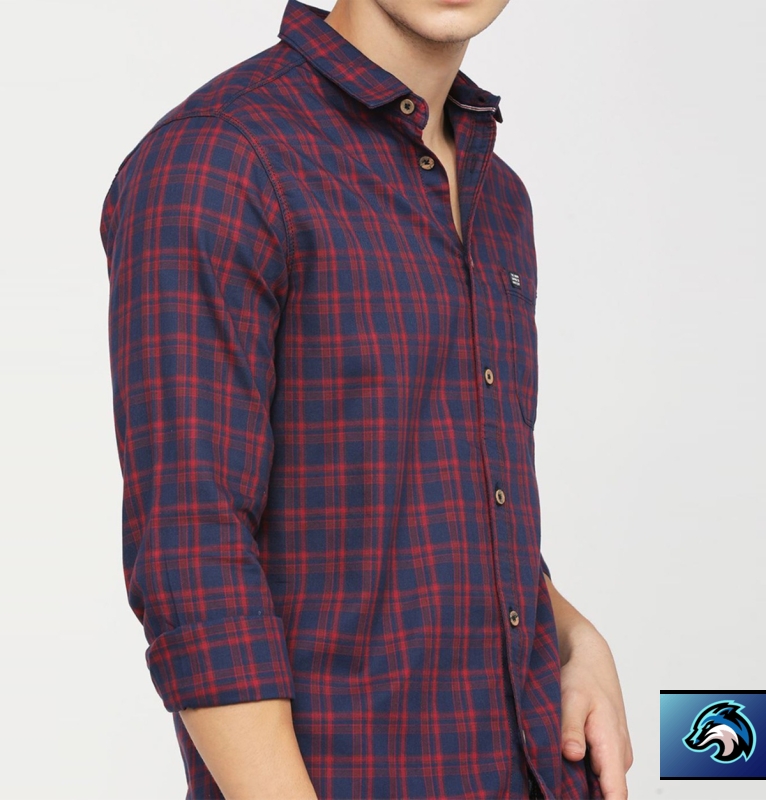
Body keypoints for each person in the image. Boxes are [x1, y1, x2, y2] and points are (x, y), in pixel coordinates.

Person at [100, 0, 633, 797]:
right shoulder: (219, 160)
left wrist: (571, 634)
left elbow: (450, 500)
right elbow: (192, 552)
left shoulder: (499, 195)